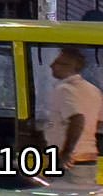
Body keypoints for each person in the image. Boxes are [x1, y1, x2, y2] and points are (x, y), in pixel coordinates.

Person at [45, 47, 102, 187]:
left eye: (59, 63)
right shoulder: (93, 90)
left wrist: (66, 153)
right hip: (88, 159)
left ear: (72, 67)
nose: (52, 66)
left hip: (71, 162)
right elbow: (98, 121)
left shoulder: (65, 89)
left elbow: (78, 118)